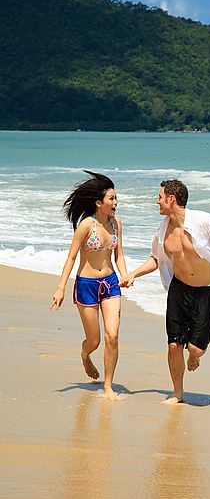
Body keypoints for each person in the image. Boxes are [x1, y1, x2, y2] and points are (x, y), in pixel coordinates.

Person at [120, 179, 210, 404]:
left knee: (196, 349)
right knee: (173, 344)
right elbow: (156, 259)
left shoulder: (205, 222)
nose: (157, 201)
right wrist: (133, 274)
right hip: (179, 290)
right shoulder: (162, 230)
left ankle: (195, 355)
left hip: (204, 291)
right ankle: (177, 393)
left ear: (171, 199)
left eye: (160, 197)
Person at [50, 171, 128, 400]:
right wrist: (60, 288)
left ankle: (108, 386)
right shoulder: (85, 226)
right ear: (99, 202)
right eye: (112, 198)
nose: (116, 202)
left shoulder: (116, 223)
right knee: (94, 341)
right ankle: (85, 356)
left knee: (112, 336)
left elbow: (119, 254)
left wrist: (124, 274)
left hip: (111, 283)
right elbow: (71, 258)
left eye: (116, 198)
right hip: (86, 285)